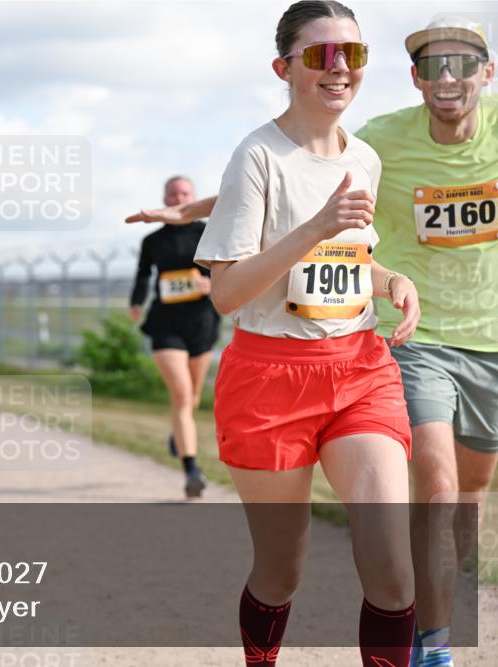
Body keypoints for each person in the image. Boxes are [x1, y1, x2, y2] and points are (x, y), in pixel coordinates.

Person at [190, 2, 423, 665]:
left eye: (352, 54)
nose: (338, 68)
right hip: (269, 380)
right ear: (283, 68)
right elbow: (228, 291)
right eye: (320, 55)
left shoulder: (367, 159)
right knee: (280, 571)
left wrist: (391, 280)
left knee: (391, 567)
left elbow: (351, 258)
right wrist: (314, 227)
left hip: (359, 371)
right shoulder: (258, 156)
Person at [353, 17, 497, 667]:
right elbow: (304, 179)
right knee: (436, 486)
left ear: (485, 75)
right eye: (432, 67)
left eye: (463, 65)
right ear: (414, 79)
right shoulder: (382, 140)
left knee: (468, 495)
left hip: (492, 342)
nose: (447, 78)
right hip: (418, 337)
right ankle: (433, 647)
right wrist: (193, 211)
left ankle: (429, 611)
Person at [128, 176, 219, 499]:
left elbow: (227, 270)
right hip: (165, 324)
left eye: (185, 193)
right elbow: (143, 274)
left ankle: (178, 437)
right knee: (181, 396)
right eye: (173, 193)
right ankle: (192, 470)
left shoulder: (211, 232)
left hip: (202, 323)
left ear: (193, 197)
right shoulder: (153, 241)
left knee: (192, 397)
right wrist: (137, 302)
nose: (178, 197)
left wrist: (211, 285)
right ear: (164, 199)